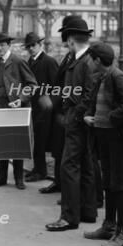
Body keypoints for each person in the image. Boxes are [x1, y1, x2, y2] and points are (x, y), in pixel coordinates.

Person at [82, 42, 123, 246]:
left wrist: (110, 117)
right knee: (109, 182)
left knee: (120, 184)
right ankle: (108, 226)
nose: (88, 62)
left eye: (90, 58)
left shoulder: (117, 76)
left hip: (118, 138)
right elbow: (99, 104)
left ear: (97, 60)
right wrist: (91, 117)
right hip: (105, 137)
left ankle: (122, 232)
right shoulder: (102, 77)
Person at [46, 17, 97, 231]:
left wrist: (73, 116)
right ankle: (87, 211)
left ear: (70, 40)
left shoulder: (83, 62)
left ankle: (68, 217)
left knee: (69, 167)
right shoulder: (85, 59)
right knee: (85, 165)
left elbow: (88, 93)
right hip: (81, 120)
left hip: (76, 121)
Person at [0, 32, 37, 189]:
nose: (0, 48)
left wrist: (21, 99)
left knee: (17, 143)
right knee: (1, 141)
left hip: (16, 108)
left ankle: (18, 179)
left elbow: (32, 85)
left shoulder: (17, 61)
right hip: (0, 109)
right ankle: (1, 178)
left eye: (2, 45)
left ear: (9, 45)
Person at [40, 15, 80, 195]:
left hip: (72, 113)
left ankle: (73, 191)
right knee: (58, 149)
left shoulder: (81, 58)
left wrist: (53, 99)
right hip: (61, 112)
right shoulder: (68, 57)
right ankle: (58, 182)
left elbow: (73, 88)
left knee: (72, 155)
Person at [24, 32, 58, 182]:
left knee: (42, 140)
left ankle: (41, 171)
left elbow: (58, 86)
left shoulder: (49, 62)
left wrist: (50, 101)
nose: (31, 48)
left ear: (40, 45)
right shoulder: (29, 62)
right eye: (28, 46)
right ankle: (37, 168)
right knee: (36, 139)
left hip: (46, 108)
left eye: (33, 45)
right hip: (34, 107)